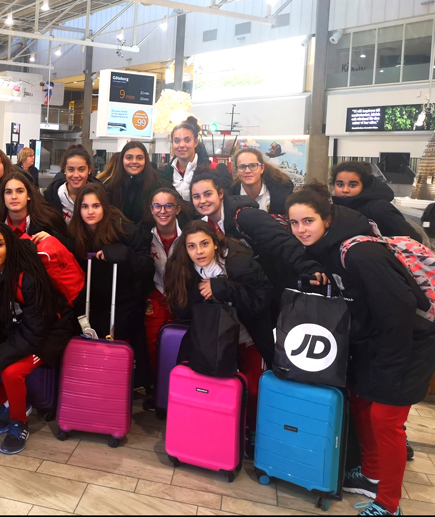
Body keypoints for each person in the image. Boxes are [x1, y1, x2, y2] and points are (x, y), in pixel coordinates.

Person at [286, 183, 435, 517]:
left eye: (307, 221)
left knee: (386, 419)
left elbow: (400, 311)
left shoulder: (358, 253)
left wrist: (390, 369)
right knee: (364, 404)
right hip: (376, 341)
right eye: (295, 223)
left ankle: (388, 504)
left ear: (326, 218)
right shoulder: (329, 249)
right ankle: (371, 475)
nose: (301, 230)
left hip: (408, 342)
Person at [0, 223, 73, 454]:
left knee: (11, 372)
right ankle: (12, 405)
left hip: (48, 334)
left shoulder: (27, 277)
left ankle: (19, 422)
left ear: (10, 247)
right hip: (15, 331)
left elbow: (32, 334)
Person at [164, 219, 272, 451]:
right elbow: (180, 310)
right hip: (213, 338)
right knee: (204, 385)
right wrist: (196, 292)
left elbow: (262, 300)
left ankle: (252, 433)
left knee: (253, 389)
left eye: (204, 244)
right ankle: (212, 429)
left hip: (248, 336)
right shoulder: (183, 268)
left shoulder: (238, 262)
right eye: (192, 246)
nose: (199, 251)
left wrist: (221, 288)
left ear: (215, 244)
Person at [190, 173, 326, 332]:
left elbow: (283, 243)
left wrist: (310, 268)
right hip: (251, 295)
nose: (203, 201)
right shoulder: (205, 226)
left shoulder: (245, 216)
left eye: (208, 194)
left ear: (220, 194)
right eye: (196, 196)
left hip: (275, 290)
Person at [68, 183, 153, 388]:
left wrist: (124, 254)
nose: (90, 211)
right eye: (85, 206)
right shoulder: (76, 231)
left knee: (119, 338)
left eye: (95, 206)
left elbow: (146, 263)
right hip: (93, 296)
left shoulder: (123, 227)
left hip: (122, 295)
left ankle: (130, 382)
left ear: (104, 207)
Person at [143, 187, 190, 409]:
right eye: (157, 206)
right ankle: (156, 388)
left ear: (178, 209)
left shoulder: (188, 236)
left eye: (168, 205)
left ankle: (179, 389)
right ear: (151, 209)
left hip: (182, 295)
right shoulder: (145, 235)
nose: (163, 211)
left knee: (180, 343)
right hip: (156, 293)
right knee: (152, 343)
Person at [331, 161, 422, 241]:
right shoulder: (334, 208)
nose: (345, 190)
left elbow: (413, 239)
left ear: (364, 186)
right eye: (340, 184)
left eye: (352, 185)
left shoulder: (378, 207)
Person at [0, 171, 69, 247]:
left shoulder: (49, 221)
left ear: (28, 195)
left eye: (20, 191)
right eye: (8, 192)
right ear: (3, 197)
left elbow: (71, 248)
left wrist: (53, 238)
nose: (14, 197)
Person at [102, 141, 165, 224]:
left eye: (139, 158)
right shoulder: (110, 186)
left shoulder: (159, 185)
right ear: (122, 160)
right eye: (129, 157)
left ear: (145, 160)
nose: (134, 161)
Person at [44, 144, 100, 224]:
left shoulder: (101, 196)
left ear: (89, 170)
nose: (76, 175)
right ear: (64, 170)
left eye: (81, 169)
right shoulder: (51, 196)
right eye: (71, 169)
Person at [228, 148, 293, 216]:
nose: (247, 171)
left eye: (253, 166)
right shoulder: (230, 197)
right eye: (242, 167)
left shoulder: (283, 195)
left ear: (262, 168)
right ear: (237, 171)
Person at [160, 121, 211, 201]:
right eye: (177, 141)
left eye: (187, 140)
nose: (181, 145)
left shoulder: (211, 170)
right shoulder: (163, 174)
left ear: (195, 142)